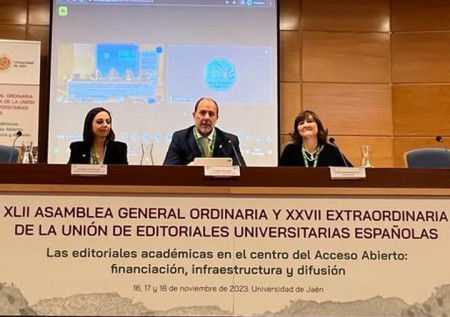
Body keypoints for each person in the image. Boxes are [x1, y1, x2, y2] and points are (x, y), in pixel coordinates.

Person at [163, 97, 246, 166]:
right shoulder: (180, 138)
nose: (207, 118)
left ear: (216, 118)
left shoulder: (230, 141)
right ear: (194, 115)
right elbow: (168, 170)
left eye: (211, 114)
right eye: (202, 113)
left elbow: (242, 172)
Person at [279, 110, 352, 167]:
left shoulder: (331, 150)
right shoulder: (290, 150)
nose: (306, 125)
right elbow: (279, 176)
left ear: (318, 126)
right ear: (297, 130)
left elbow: (350, 172)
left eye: (309, 121)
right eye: (301, 123)